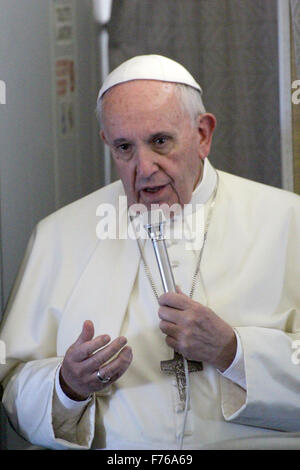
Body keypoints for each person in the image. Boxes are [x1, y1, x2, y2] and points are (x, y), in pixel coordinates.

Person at [0, 54, 300, 450]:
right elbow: (14, 384)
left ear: (203, 134)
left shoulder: (288, 220)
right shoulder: (58, 235)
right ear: (108, 143)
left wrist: (233, 351)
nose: (144, 167)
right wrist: (66, 386)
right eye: (125, 147)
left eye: (160, 141)